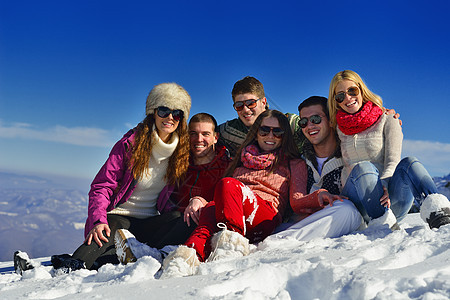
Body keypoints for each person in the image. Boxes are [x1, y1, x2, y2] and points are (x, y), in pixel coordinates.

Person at [14, 82, 192, 274]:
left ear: (182, 119)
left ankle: (125, 258)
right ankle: (64, 268)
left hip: (149, 223)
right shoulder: (130, 145)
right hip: (119, 217)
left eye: (177, 113)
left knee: (180, 220)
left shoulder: (181, 153)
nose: (170, 117)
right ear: (153, 112)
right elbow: (102, 186)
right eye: (164, 110)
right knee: (108, 229)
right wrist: (98, 220)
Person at [161, 109, 311, 278]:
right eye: (264, 130)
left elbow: (298, 201)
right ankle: (186, 258)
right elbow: (223, 196)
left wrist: (320, 197)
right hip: (235, 212)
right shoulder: (241, 158)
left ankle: (231, 250)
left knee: (228, 184)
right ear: (256, 133)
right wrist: (199, 199)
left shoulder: (294, 162)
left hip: (263, 216)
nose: (270, 135)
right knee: (210, 209)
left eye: (277, 131)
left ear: (284, 135)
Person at [327, 70, 450, 229]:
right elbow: (314, 131)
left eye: (352, 91)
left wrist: (384, 184)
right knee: (363, 166)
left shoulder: (387, 119)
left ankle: (440, 215)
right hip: (358, 202)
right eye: (340, 96)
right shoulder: (337, 128)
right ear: (336, 101)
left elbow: (393, 160)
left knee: (409, 163)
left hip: (390, 199)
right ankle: (382, 223)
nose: (348, 98)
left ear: (361, 89)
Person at [110, 113, 232, 265]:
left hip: (202, 227)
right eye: (193, 134)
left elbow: (230, 202)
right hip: (168, 224)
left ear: (215, 137)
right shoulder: (179, 163)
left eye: (205, 134)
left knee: (191, 217)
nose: (199, 139)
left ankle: (148, 254)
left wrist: (202, 201)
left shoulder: (228, 167)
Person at [270, 96, 362, 241]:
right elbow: (297, 202)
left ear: (331, 120)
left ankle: (282, 242)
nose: (310, 126)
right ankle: (281, 240)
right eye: (304, 122)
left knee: (346, 209)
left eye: (316, 119)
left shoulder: (349, 156)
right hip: (303, 226)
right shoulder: (300, 162)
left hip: (345, 220)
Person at [217, 76, 303, 157]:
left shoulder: (291, 124)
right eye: (239, 105)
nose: (245, 109)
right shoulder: (227, 132)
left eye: (251, 103)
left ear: (263, 102)